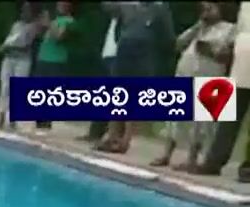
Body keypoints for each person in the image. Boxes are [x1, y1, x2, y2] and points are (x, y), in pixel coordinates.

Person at [151, 2, 235, 170]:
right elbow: (178, 44)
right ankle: (166, 154)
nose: (206, 11)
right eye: (205, 8)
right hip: (186, 73)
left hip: (210, 77)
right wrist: (197, 27)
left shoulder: (230, 29)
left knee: (201, 122)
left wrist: (211, 51)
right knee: (175, 116)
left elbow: (229, 56)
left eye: (211, 8)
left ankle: (192, 159)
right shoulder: (198, 27)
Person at [97, 2, 176, 153]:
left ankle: (125, 140)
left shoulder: (160, 8)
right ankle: (112, 136)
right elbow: (107, 7)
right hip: (125, 48)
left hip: (144, 53)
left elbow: (168, 37)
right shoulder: (129, 4)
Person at [194, 1, 250, 180]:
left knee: (231, 118)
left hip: (242, 60)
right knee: (230, 117)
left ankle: (240, 165)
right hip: (242, 62)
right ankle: (215, 161)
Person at [33, 1, 77, 133]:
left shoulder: (69, 21)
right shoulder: (55, 20)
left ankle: (46, 123)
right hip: (43, 58)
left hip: (56, 60)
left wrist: (49, 24)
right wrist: (41, 25)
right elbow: (40, 35)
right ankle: (39, 123)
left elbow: (58, 37)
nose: (60, 5)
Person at [0, 2, 42, 129]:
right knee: (5, 87)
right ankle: (1, 118)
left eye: (27, 10)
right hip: (9, 58)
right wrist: (6, 46)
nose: (24, 13)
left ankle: (13, 120)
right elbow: (10, 39)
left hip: (22, 60)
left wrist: (9, 47)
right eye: (23, 10)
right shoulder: (16, 25)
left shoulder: (33, 27)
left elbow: (26, 44)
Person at [82, 15, 121, 143]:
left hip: (115, 57)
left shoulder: (126, 20)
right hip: (105, 56)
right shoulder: (108, 20)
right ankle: (95, 132)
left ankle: (109, 134)